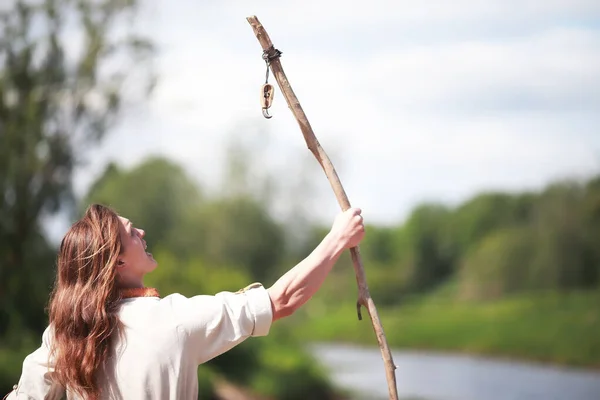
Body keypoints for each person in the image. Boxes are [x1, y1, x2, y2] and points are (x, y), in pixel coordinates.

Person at [6, 203, 365, 399]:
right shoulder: (174, 319)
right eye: (131, 232)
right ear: (116, 260)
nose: (142, 232)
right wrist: (337, 239)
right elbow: (282, 300)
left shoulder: (64, 334)